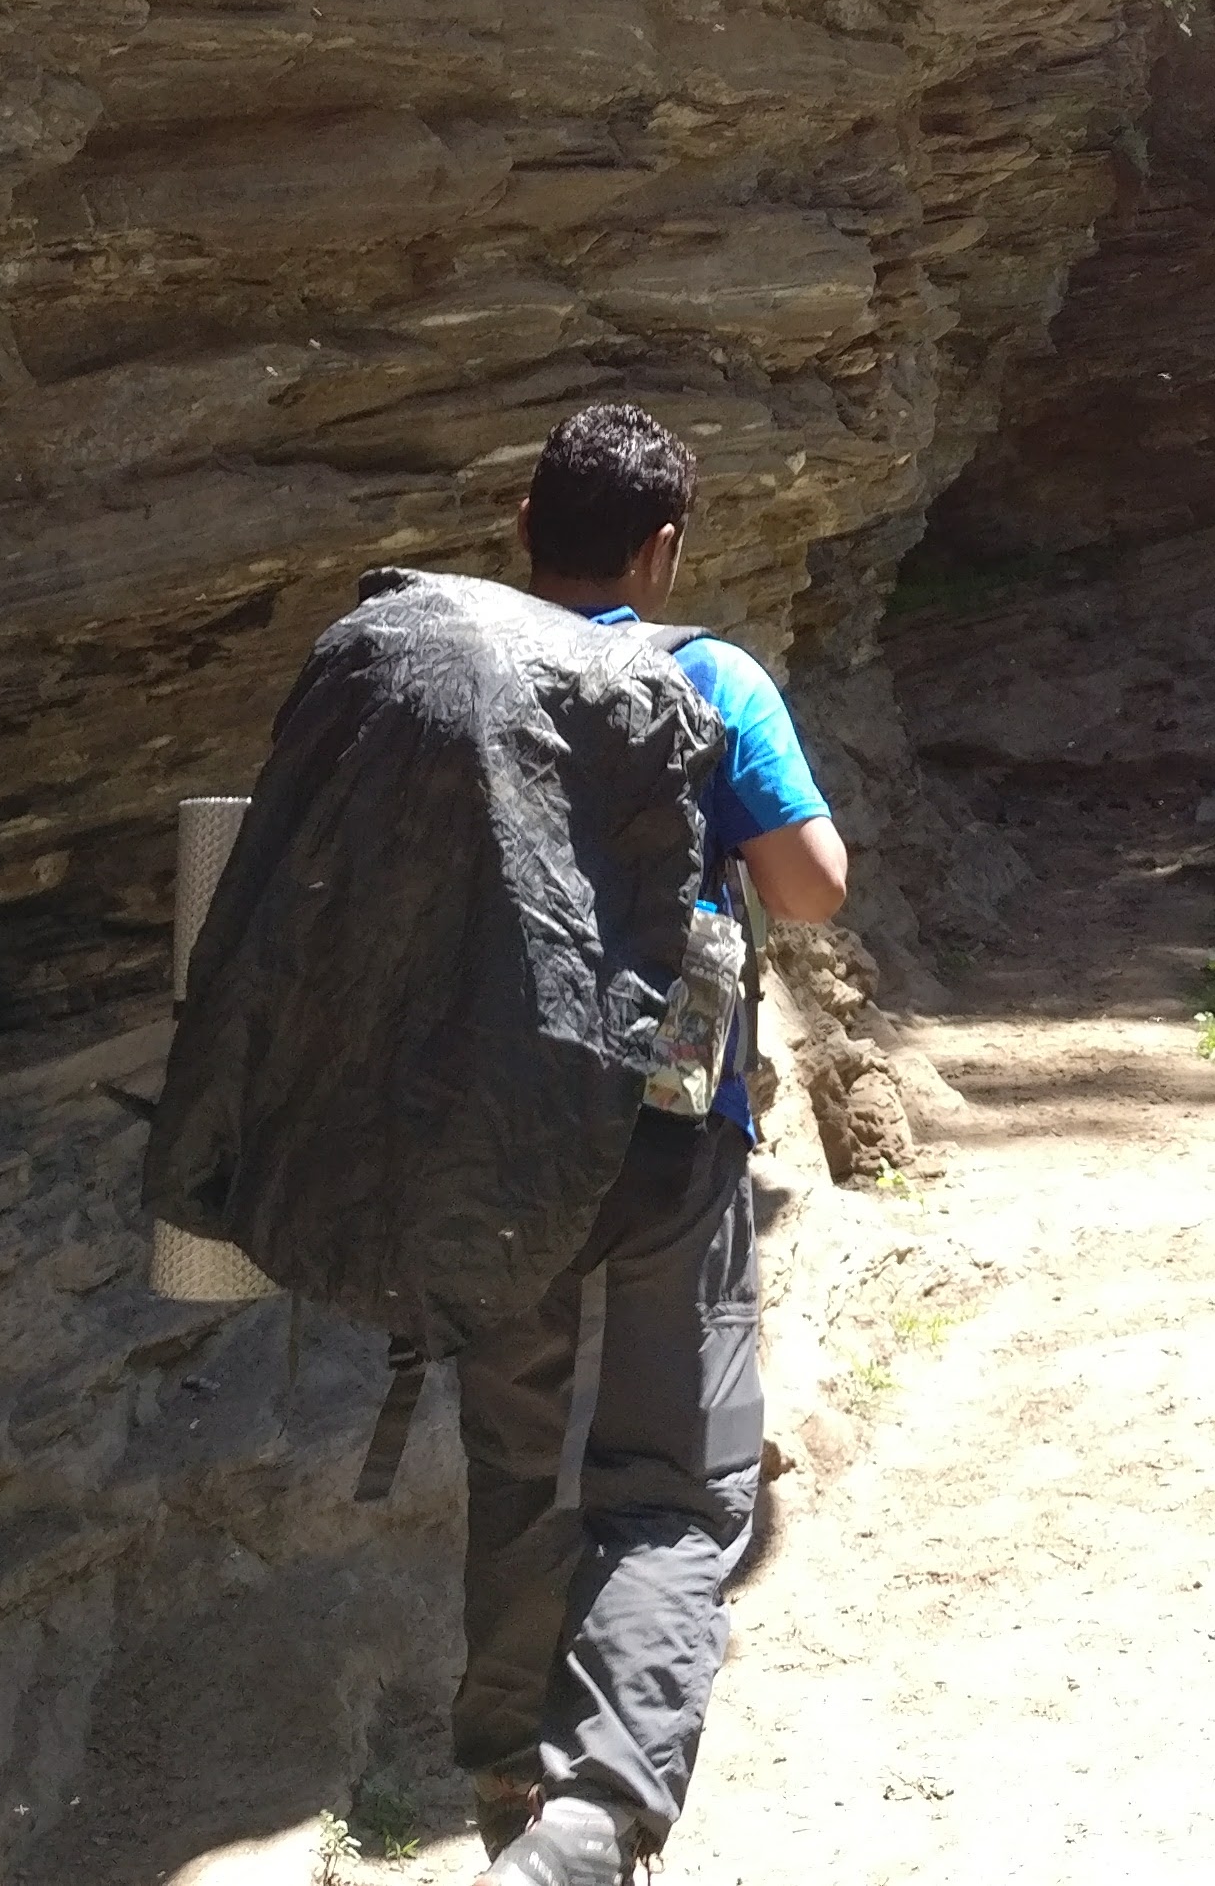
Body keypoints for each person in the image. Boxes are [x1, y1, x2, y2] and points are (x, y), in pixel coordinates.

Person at [463, 402, 844, 1886]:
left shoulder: (461, 672)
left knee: (512, 1457)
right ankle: (593, 1819)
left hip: (485, 1143)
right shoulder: (704, 673)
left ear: (520, 523)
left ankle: (503, 1775)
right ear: (663, 548)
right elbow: (811, 889)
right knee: (676, 1488)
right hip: (668, 1141)